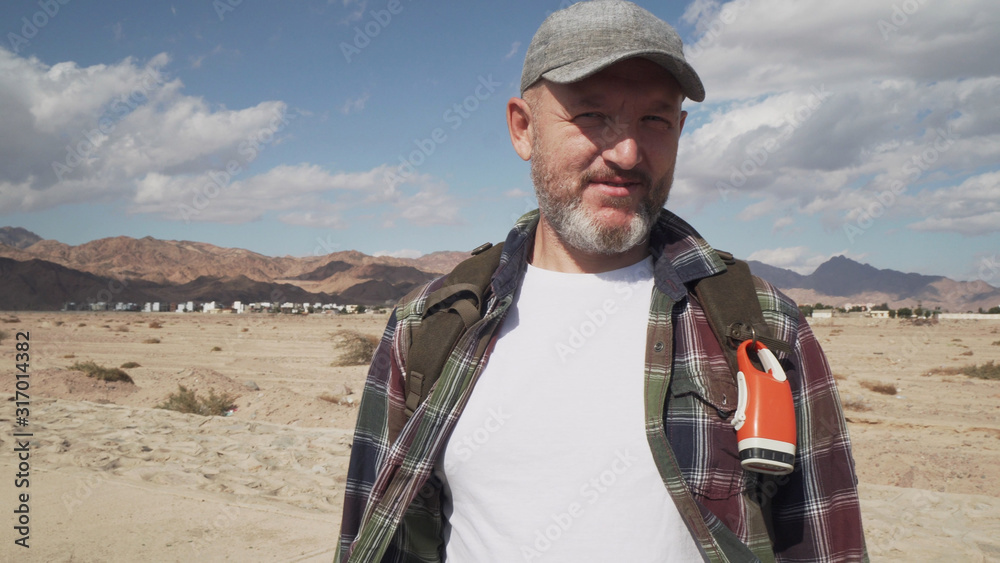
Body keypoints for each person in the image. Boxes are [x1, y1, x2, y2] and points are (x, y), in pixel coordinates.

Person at [336, 1, 868, 561]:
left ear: (681, 130)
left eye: (655, 120)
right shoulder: (430, 327)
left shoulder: (763, 327)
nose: (628, 152)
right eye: (592, 116)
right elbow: (371, 538)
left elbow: (824, 541)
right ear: (523, 129)